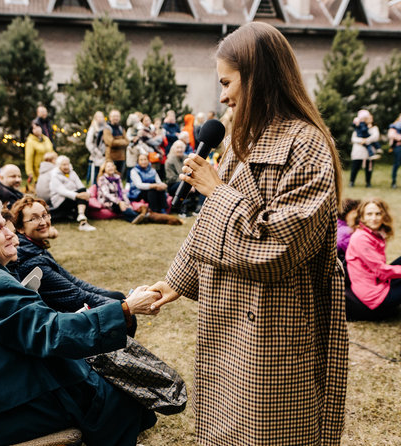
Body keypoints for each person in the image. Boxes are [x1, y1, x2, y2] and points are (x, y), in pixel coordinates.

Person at [148, 23, 348, 445]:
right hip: (227, 314)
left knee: (270, 430)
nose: (222, 96)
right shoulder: (242, 139)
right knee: (227, 425)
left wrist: (217, 190)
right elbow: (210, 224)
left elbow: (280, 247)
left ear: (259, 76)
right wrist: (177, 280)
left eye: (226, 82)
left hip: (276, 319)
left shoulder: (308, 144)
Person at [0, 193, 158, 445]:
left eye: (5, 224)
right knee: (121, 394)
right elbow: (51, 333)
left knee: (107, 381)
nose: (9, 232)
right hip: (2, 414)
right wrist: (125, 309)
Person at [8, 195, 138, 331]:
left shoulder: (35, 247)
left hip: (67, 305)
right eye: (34, 218)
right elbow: (75, 295)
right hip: (61, 317)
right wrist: (122, 307)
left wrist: (114, 297)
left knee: (117, 296)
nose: (43, 222)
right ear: (21, 228)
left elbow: (75, 282)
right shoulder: (32, 262)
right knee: (124, 314)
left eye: (45, 215)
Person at [49, 155, 96, 231]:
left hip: (72, 197)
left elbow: (80, 185)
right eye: (64, 165)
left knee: (83, 191)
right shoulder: (55, 175)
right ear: (59, 166)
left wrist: (87, 193)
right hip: (60, 200)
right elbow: (62, 191)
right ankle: (82, 219)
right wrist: (78, 195)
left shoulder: (72, 172)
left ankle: (81, 217)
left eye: (67, 164)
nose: (66, 166)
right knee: (82, 196)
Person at [349, 110, 380, 188]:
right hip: (359, 151)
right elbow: (353, 138)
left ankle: (368, 182)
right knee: (355, 167)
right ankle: (352, 181)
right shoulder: (358, 127)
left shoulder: (374, 128)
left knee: (369, 167)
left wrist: (366, 140)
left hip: (369, 151)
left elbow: (375, 137)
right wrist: (361, 140)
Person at [24, 121, 54, 188]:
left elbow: (52, 152)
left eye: (38, 126)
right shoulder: (30, 142)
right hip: (38, 171)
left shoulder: (46, 139)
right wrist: (30, 172)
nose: (37, 129)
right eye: (34, 128)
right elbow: (28, 158)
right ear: (32, 131)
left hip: (50, 169)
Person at [103, 109, 129, 175]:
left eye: (117, 116)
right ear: (110, 117)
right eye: (114, 116)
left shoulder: (121, 128)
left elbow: (127, 141)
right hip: (111, 158)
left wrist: (116, 140)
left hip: (121, 157)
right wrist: (122, 141)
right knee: (110, 175)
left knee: (119, 176)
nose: (116, 118)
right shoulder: (107, 128)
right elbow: (111, 142)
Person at [85, 111, 107, 184]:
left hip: (105, 154)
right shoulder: (93, 128)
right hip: (96, 155)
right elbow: (88, 142)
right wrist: (96, 152)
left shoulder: (106, 127)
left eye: (102, 116)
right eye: (99, 117)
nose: (101, 118)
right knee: (95, 174)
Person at [337, 198, 360, 262]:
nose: (358, 215)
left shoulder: (338, 225)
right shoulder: (348, 232)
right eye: (354, 212)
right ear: (345, 214)